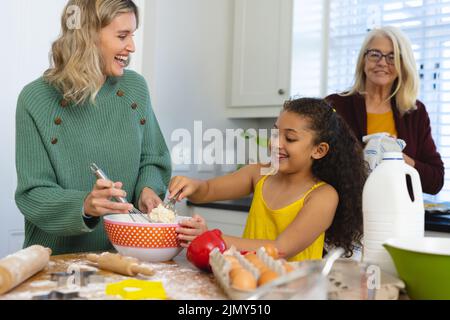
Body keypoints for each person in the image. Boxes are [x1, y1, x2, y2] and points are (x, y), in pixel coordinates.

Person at [15, 0, 171, 255]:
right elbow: (33, 193)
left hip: (123, 257)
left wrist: (148, 188)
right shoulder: (35, 99)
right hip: (55, 261)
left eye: (132, 35)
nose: (131, 47)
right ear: (87, 37)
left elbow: (152, 158)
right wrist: (85, 205)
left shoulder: (135, 89)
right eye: (122, 36)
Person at [171, 98, 367, 261]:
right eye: (275, 133)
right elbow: (206, 191)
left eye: (289, 138)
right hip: (248, 280)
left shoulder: (323, 196)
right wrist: (192, 185)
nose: (275, 143)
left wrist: (213, 238)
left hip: (294, 292)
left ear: (319, 150)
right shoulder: (259, 173)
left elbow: (281, 249)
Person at [326, 26, 444, 195]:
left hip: (398, 212)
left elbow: (435, 181)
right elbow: (315, 163)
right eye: (375, 54)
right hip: (347, 212)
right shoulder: (335, 104)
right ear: (363, 59)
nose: (382, 62)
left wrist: (397, 158)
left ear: (403, 65)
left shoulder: (414, 112)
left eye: (392, 57)